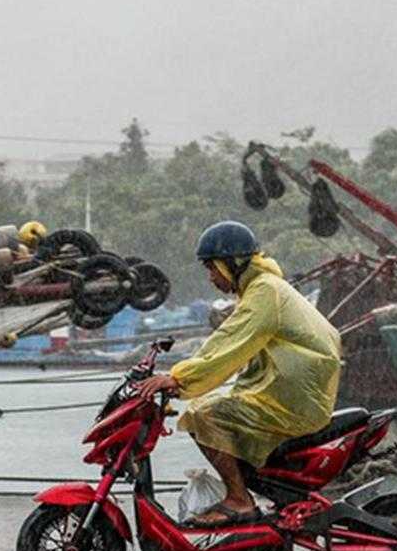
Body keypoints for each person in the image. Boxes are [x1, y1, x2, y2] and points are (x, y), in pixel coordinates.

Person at [136, 221, 342, 527]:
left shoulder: (264, 293)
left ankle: (239, 500)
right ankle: (256, 491)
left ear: (231, 264)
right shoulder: (264, 289)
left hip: (295, 401)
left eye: (213, 268)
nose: (211, 278)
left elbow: (229, 342)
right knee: (222, 408)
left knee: (204, 416)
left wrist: (180, 378)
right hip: (291, 394)